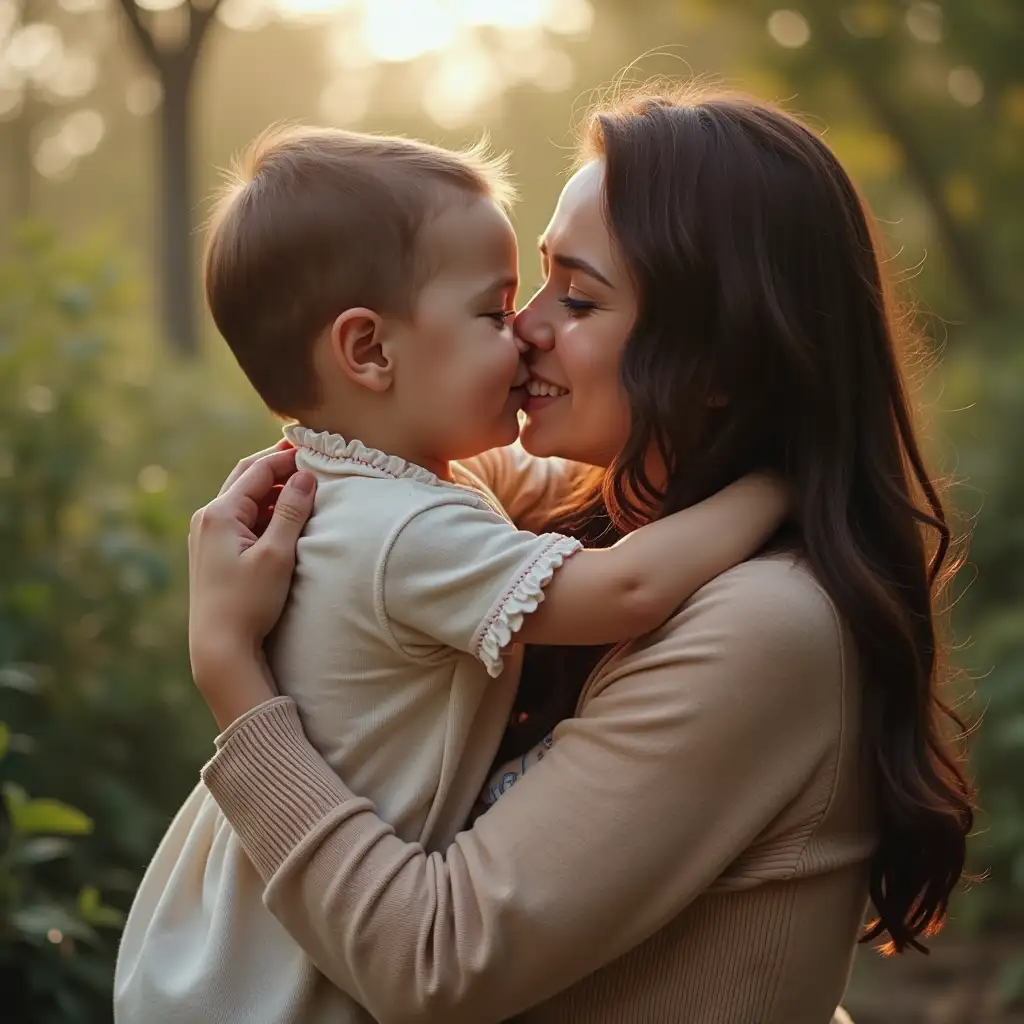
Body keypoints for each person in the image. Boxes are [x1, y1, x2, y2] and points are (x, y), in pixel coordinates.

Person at [184, 89, 975, 1024]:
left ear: (722, 362)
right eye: (531, 286)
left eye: (579, 297)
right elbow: (393, 455)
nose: (525, 329)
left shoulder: (765, 623)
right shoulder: (586, 510)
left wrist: (233, 676)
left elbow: (435, 962)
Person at [114, 125, 786, 1023]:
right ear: (370, 351)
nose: (523, 337)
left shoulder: (367, 486)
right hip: (276, 984)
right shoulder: (408, 533)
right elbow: (624, 588)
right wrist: (779, 483)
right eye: (493, 311)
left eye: (563, 300)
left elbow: (573, 483)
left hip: (220, 933)